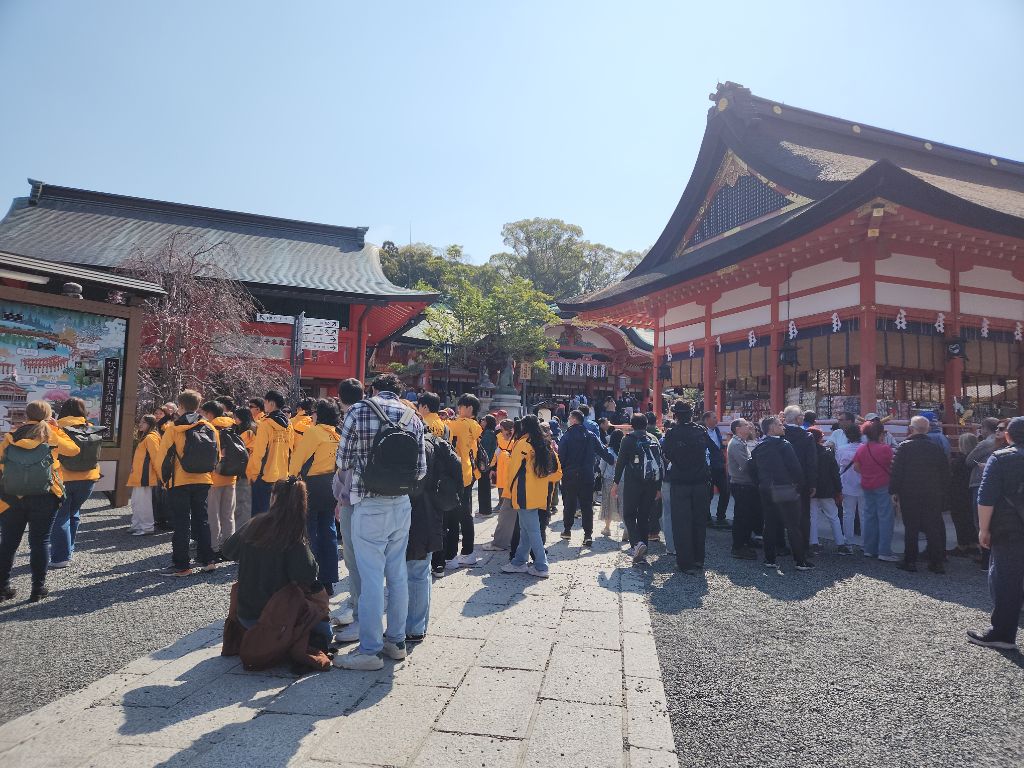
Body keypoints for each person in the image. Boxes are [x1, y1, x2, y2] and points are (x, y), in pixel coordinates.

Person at [333, 373, 426, 671]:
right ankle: (396, 642)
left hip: (369, 503)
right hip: (401, 504)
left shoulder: (359, 410)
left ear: (372, 389)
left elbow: (342, 461)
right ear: (399, 391)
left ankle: (369, 650)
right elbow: (420, 470)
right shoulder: (412, 417)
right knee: (397, 574)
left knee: (372, 577)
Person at [220, 478, 332, 666]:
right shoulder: (293, 533)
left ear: (274, 498)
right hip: (277, 618)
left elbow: (227, 550)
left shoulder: (254, 524)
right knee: (322, 614)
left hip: (246, 617)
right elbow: (307, 575)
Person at [0, 401, 80, 602]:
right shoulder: (51, 435)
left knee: (8, 543)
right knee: (40, 542)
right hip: (46, 494)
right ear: (48, 415)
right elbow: (74, 450)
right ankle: (37, 589)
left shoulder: (12, 436)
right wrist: (58, 428)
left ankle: (3, 588)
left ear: (27, 414)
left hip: (13, 496)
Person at [967, 416, 1024, 651]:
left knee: (1006, 580)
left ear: (1008, 436)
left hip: (1009, 527)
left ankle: (1002, 633)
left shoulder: (1000, 458)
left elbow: (986, 498)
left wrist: (983, 528)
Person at [406, 408, 459, 643]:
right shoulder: (436, 442)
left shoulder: (416, 445)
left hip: (416, 511)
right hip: (432, 510)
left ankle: (414, 627)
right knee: (422, 570)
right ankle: (419, 623)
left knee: (415, 570)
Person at [157, 389, 220, 577]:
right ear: (198, 406)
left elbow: (162, 459)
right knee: (202, 520)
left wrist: (165, 481)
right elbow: (217, 455)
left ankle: (182, 565)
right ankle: (208, 560)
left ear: (181, 406)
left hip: (180, 481)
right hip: (203, 479)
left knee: (182, 523)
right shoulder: (209, 427)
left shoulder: (173, 428)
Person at [290, 399, 341, 594]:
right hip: (330, 485)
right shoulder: (337, 434)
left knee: (309, 532)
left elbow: (298, 460)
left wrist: (290, 479)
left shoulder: (314, 432)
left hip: (311, 486)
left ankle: (311, 577)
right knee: (329, 532)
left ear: (318, 414)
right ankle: (329, 580)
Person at [502, 415, 562, 578]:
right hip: (539, 493)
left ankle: (541, 565)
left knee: (532, 530)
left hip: (524, 492)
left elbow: (512, 471)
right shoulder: (542, 444)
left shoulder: (522, 444)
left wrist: (509, 492)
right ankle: (519, 561)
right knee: (526, 530)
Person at [890, 415, 950, 573]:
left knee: (911, 527)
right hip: (933, 493)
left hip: (909, 493)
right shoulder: (936, 448)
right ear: (928, 429)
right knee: (933, 527)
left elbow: (897, 472)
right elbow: (945, 473)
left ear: (911, 428)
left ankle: (910, 560)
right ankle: (936, 562)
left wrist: (894, 490)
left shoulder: (904, 447)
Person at [751, 416, 812, 571]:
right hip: (784, 487)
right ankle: (800, 560)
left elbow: (750, 468)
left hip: (766, 488)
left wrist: (760, 483)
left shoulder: (759, 446)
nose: (783, 427)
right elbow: (795, 468)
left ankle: (769, 559)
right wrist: (799, 485)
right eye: (780, 425)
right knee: (793, 525)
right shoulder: (784, 445)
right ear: (772, 428)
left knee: (769, 523)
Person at [50, 397, 105, 568]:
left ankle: (60, 557)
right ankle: (69, 550)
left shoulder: (57, 427)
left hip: (64, 479)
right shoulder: (90, 428)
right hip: (88, 479)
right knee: (73, 513)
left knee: (60, 517)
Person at [332, 377, 364, 640]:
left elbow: (343, 463)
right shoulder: (402, 415)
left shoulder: (352, 417)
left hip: (353, 496)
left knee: (353, 559)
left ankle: (357, 610)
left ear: (340, 397)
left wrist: (339, 498)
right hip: (386, 498)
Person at [613, 413, 664, 564]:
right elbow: (659, 463)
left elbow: (621, 463)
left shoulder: (628, 439)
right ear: (646, 424)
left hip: (633, 484)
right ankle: (642, 552)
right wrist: (658, 488)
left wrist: (615, 483)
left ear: (632, 424)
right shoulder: (653, 439)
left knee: (629, 514)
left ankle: (637, 544)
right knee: (644, 516)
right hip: (651, 484)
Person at [558, 409, 613, 546]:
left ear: (574, 420)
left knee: (569, 503)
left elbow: (561, 457)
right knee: (587, 505)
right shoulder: (591, 435)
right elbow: (602, 451)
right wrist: (612, 460)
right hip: (587, 474)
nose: (568, 421)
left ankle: (567, 530)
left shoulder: (566, 436)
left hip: (570, 475)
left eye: (569, 418)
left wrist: (560, 471)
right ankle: (588, 535)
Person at [444, 393, 482, 569]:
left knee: (452, 515)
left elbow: (444, 429)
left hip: (456, 473)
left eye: (460, 406)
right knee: (465, 514)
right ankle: (467, 552)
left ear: (469, 408)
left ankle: (450, 556)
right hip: (468, 472)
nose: (458, 409)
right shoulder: (474, 425)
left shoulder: (460, 424)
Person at [853, 421, 898, 562]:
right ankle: (884, 551)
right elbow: (892, 466)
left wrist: (867, 473)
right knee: (885, 518)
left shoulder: (861, 448)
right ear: (880, 434)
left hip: (867, 484)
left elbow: (856, 467)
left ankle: (869, 548)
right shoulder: (885, 449)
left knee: (869, 516)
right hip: (883, 484)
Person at [246, 390, 294, 517]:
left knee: (260, 517)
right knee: (277, 516)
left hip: (264, 476)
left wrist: (253, 474)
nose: (264, 405)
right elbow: (290, 450)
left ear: (271, 403)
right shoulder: (289, 425)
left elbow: (259, 453)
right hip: (282, 476)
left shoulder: (265, 424)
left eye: (265, 402)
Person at [807, 427, 851, 555]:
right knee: (833, 516)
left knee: (812, 516)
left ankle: (813, 542)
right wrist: (838, 490)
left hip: (811, 489)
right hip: (827, 489)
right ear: (820, 438)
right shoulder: (827, 453)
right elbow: (835, 474)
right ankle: (840, 543)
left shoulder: (806, 453)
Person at [202, 400, 237, 558]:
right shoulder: (233, 426)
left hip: (215, 478)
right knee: (228, 515)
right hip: (232, 476)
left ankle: (214, 547)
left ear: (209, 414)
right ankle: (229, 547)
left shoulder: (210, 428)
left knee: (213, 515)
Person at [966, 418, 1002, 568]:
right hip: (1000, 485)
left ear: (986, 428)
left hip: (979, 482)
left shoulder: (986, 443)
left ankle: (986, 558)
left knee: (981, 521)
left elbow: (969, 460)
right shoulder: (1006, 444)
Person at [782, 405, 818, 551]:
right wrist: (813, 483)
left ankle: (780, 545)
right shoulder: (807, 436)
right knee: (803, 514)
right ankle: (802, 547)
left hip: (782, 480)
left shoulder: (780, 433)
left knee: (781, 513)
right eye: (802, 416)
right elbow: (811, 462)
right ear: (798, 419)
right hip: (801, 480)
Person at [483, 419, 519, 552]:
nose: (500, 432)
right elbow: (496, 453)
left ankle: (504, 536)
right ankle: (506, 534)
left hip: (511, 473)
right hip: (503, 468)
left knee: (507, 509)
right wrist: (492, 467)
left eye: (502, 429)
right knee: (503, 496)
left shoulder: (517, 441)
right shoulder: (500, 438)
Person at [726, 419, 759, 560]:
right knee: (741, 516)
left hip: (745, 483)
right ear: (738, 429)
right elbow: (746, 465)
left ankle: (746, 540)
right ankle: (738, 546)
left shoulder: (741, 442)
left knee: (748, 515)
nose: (749, 426)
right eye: (746, 424)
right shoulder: (736, 444)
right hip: (741, 484)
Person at [126, 415, 161, 535]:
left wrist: (161, 476)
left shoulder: (150, 437)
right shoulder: (146, 437)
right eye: (140, 421)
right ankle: (137, 525)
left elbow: (156, 458)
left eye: (143, 422)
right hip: (140, 476)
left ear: (150, 424)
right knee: (136, 502)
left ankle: (146, 527)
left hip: (145, 476)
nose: (140, 424)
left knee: (143, 503)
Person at [949, 432, 980, 556]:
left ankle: (962, 545)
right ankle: (973, 543)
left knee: (959, 519)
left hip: (958, 493)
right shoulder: (977, 459)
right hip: (972, 491)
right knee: (971, 519)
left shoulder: (959, 461)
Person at [834, 424, 864, 547]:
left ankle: (848, 542)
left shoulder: (841, 449)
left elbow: (837, 466)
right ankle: (865, 544)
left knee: (848, 513)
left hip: (846, 483)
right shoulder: (865, 448)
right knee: (864, 514)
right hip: (863, 483)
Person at [702, 411, 730, 529]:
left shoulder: (717, 430)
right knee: (708, 494)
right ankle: (707, 518)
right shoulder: (701, 432)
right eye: (714, 417)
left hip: (719, 465)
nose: (716, 419)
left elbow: (720, 445)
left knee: (726, 491)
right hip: (708, 467)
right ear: (706, 419)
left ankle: (721, 516)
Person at [232, 406, 258, 528]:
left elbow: (240, 452)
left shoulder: (247, 433)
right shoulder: (256, 428)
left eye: (235, 417)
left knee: (243, 504)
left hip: (244, 472)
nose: (234, 420)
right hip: (252, 471)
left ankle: (242, 531)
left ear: (240, 418)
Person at [599, 429, 622, 538]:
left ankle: (607, 528)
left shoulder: (608, 451)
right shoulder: (624, 451)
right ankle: (627, 530)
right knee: (622, 503)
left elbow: (601, 467)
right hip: (622, 480)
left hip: (608, 479)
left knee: (607, 502)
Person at [477, 414, 497, 516]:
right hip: (488, 463)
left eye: (484, 420)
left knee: (483, 487)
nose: (482, 421)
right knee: (484, 487)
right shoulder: (489, 432)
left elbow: (483, 449)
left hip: (485, 463)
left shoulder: (488, 434)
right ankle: (485, 510)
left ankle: (485, 511)